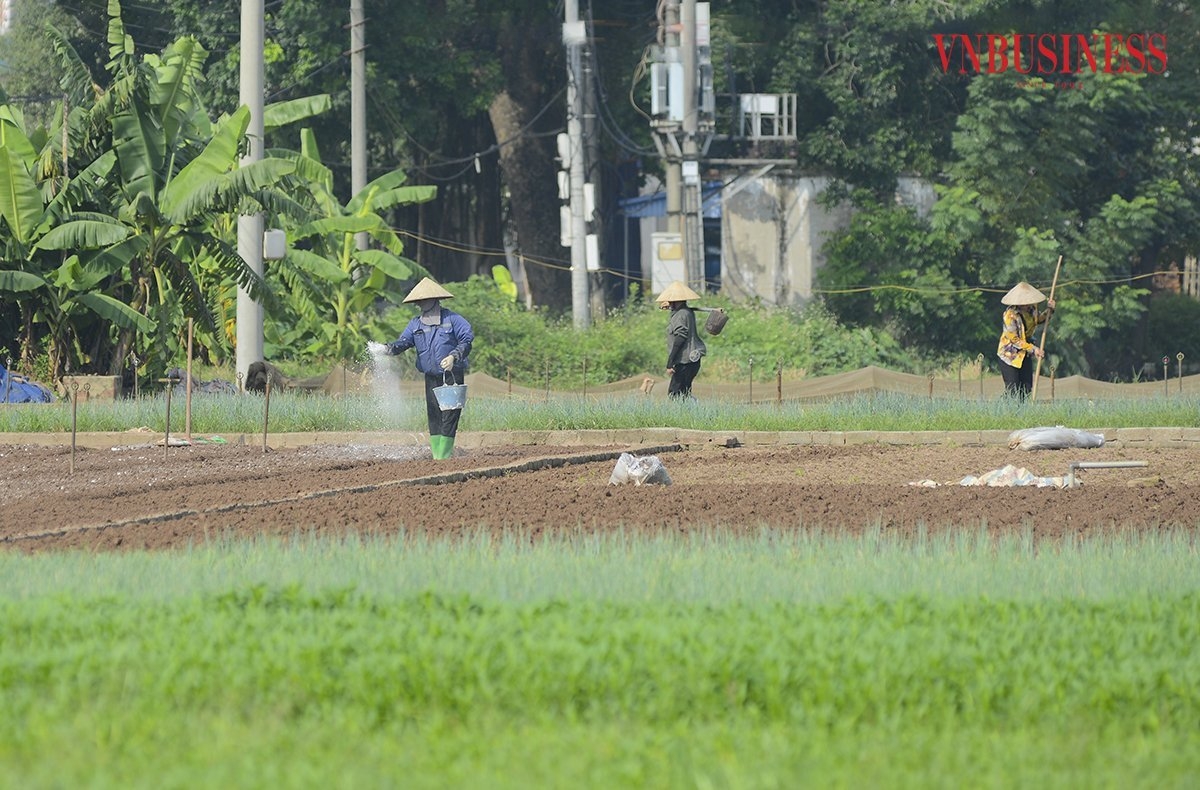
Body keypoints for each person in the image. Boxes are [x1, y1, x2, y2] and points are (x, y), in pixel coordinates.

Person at [369, 277, 474, 459]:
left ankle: (444, 456)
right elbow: (403, 343)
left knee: (450, 414)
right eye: (419, 300)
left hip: (451, 376)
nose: (420, 303)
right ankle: (437, 455)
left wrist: (453, 356)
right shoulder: (415, 324)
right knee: (434, 415)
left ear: (435, 299)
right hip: (431, 376)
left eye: (424, 299)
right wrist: (386, 349)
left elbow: (467, 340)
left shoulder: (452, 319)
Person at [996, 281, 1056, 400]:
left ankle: (1022, 413)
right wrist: (1034, 349)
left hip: (1025, 354)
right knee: (1013, 389)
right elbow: (1014, 339)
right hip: (1010, 356)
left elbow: (1039, 320)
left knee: (1026, 388)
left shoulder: (1031, 310)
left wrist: (1050, 310)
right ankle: (1004, 411)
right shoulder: (1010, 315)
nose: (1027, 304)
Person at [655, 280, 707, 400]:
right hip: (690, 360)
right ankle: (693, 414)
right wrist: (671, 308)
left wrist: (670, 361)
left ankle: (693, 413)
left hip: (685, 361)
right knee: (684, 393)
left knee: (675, 393)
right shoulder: (685, 312)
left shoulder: (681, 314)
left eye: (671, 300)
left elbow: (680, 337)